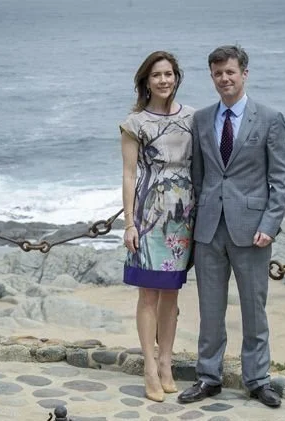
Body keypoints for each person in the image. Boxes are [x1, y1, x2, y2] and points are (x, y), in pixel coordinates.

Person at [177, 45, 285, 408]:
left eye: (230, 72)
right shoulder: (202, 119)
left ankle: (257, 380)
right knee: (210, 310)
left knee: (254, 311)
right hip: (209, 230)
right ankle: (208, 377)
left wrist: (270, 224)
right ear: (211, 77)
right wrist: (193, 228)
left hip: (253, 231)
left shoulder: (270, 118)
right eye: (217, 74)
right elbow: (198, 178)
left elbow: (281, 179)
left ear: (244, 73)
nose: (224, 79)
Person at [120, 51, 195, 403]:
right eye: (156, 75)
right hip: (149, 215)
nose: (163, 80)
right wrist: (129, 223)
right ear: (146, 81)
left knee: (172, 293)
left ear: (176, 78)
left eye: (168, 74)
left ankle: (166, 362)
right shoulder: (134, 123)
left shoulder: (194, 118)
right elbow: (129, 174)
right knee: (148, 294)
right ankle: (149, 366)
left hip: (183, 216)